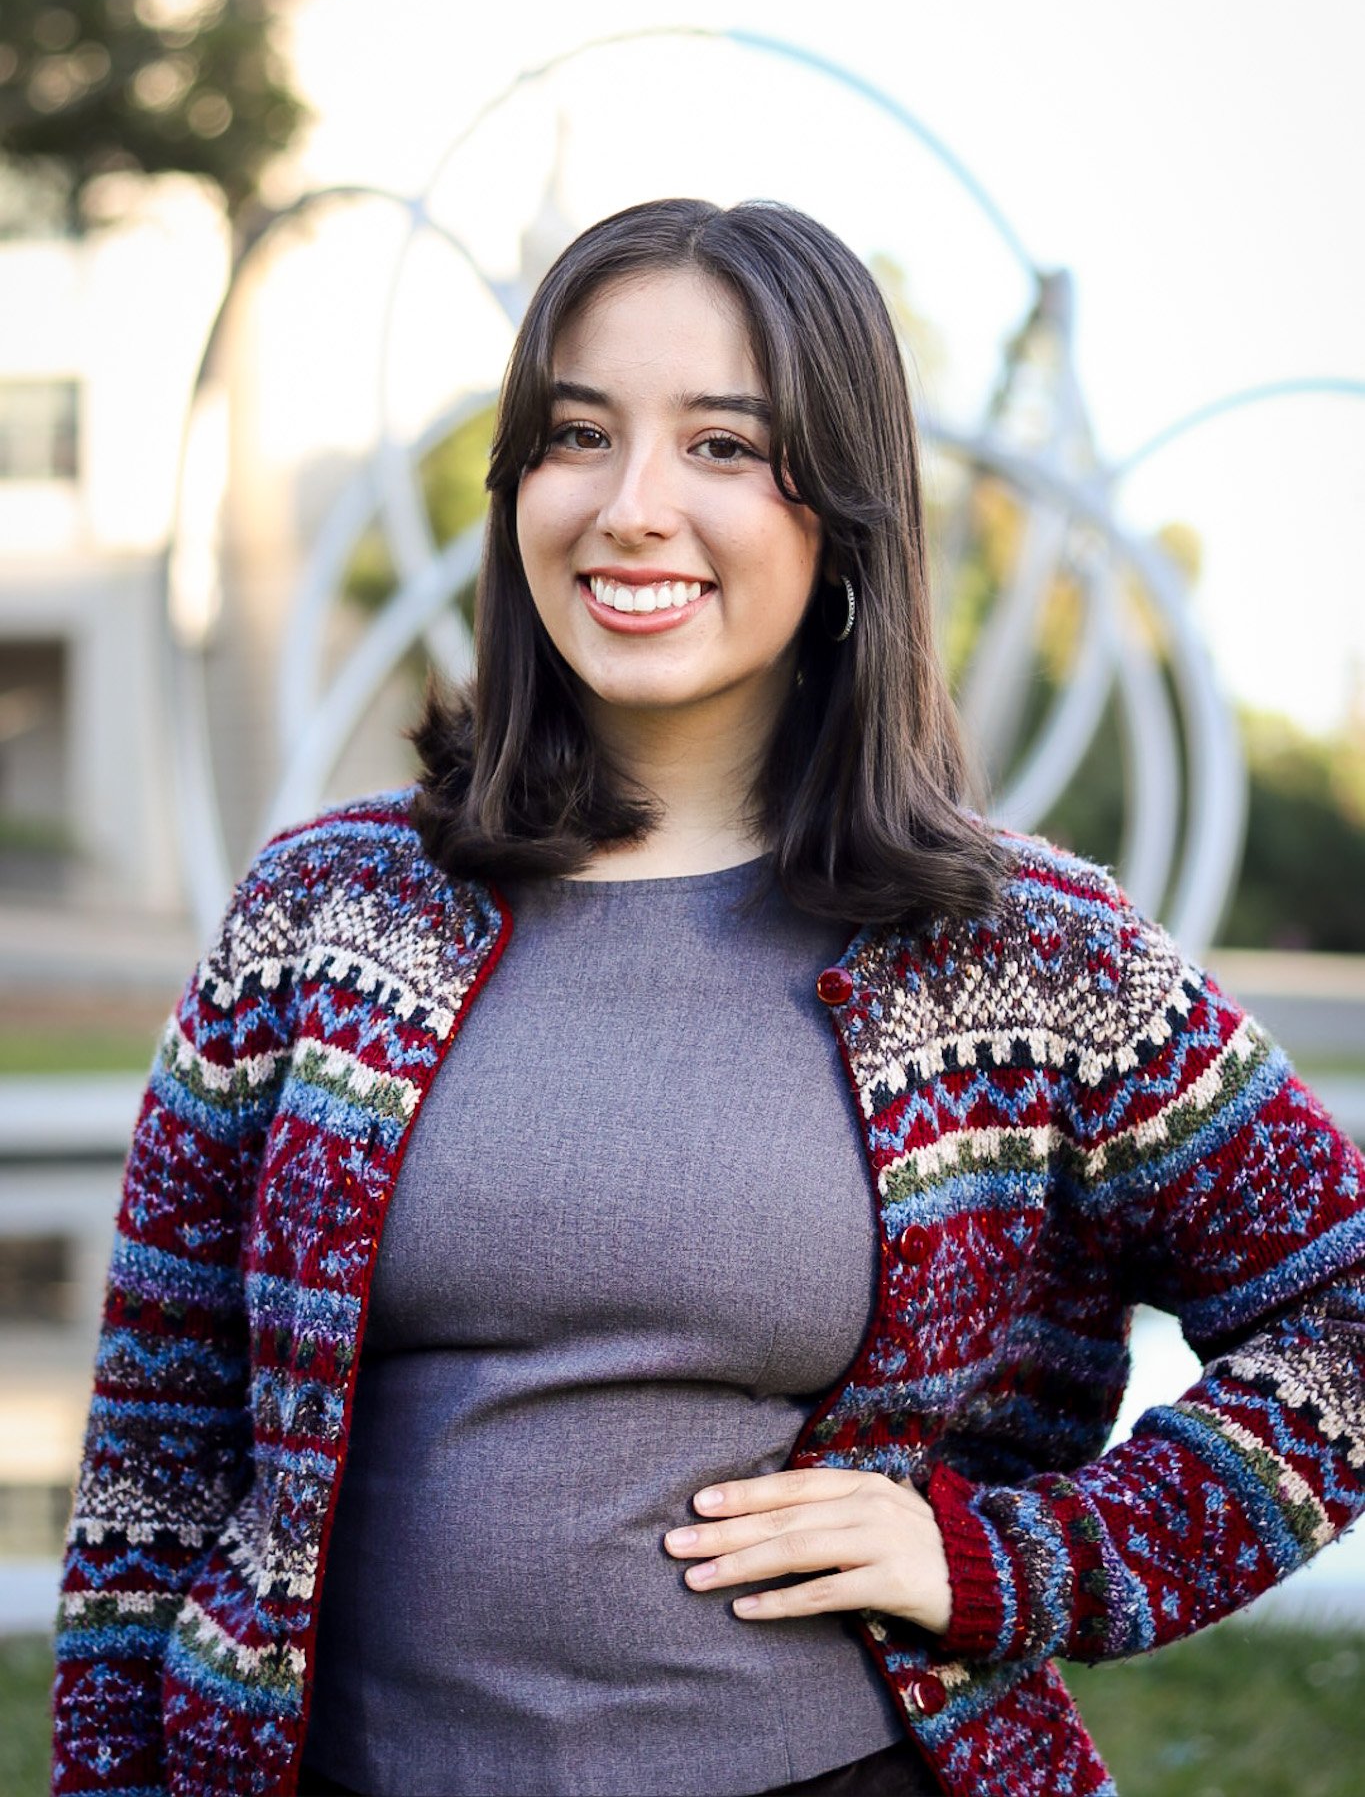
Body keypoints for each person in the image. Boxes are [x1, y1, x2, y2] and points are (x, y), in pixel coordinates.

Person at [51, 197, 1365, 1797]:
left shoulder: (1023, 951)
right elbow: (155, 1462)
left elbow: (1343, 1308)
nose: (628, 506)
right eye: (576, 434)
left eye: (724, 446)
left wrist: (1017, 1560)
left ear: (846, 513)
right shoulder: (324, 908)